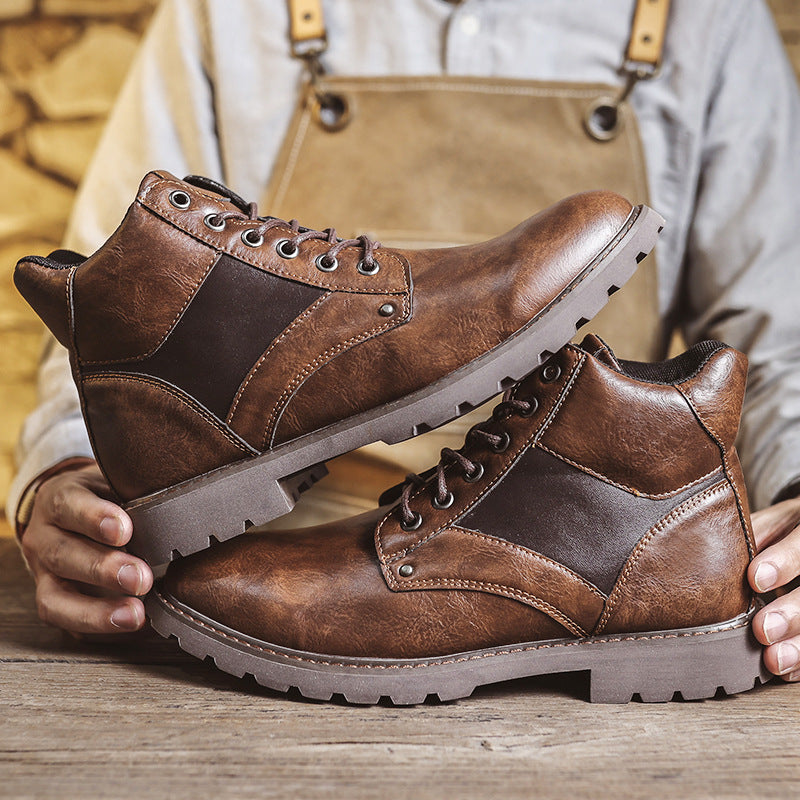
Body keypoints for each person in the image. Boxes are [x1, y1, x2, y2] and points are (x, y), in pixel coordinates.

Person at [7, 0, 800, 684]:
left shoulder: (706, 18)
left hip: (588, 549)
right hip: (275, 573)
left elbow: (778, 353)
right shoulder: (229, 12)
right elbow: (117, 306)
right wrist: (69, 474)